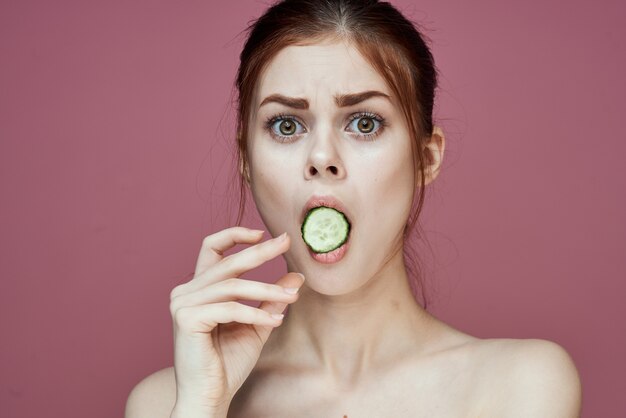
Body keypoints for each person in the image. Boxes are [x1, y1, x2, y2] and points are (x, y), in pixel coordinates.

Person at [125, 1, 582, 416]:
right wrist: (202, 405)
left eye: (364, 123)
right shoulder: (163, 403)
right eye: (287, 125)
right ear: (246, 159)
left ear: (426, 157)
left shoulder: (521, 386)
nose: (321, 157)